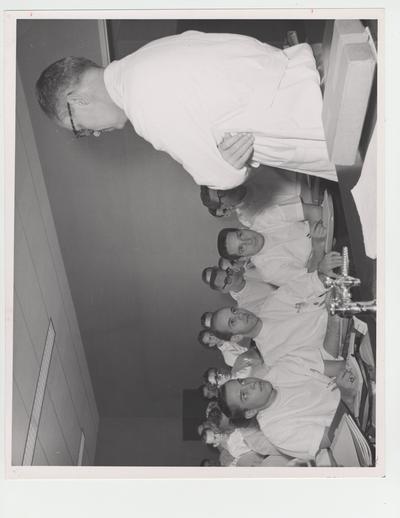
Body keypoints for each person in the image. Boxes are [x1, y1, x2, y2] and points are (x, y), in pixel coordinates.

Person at [36, 31, 336, 190]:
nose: (96, 133)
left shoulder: (142, 104)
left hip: (321, 118)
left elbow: (222, 178)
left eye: (81, 129)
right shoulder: (144, 57)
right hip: (318, 74)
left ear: (78, 101)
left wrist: (222, 168)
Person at [219, 375, 340, 461]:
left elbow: (336, 366)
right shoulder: (277, 431)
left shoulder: (279, 370)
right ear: (250, 412)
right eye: (244, 395)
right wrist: (348, 398)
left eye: (242, 381)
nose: (251, 384)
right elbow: (335, 437)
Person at [217, 223, 342, 286]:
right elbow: (311, 278)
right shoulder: (268, 272)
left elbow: (311, 211)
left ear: (241, 228)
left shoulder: (262, 219)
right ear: (244, 258)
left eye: (241, 235)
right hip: (334, 260)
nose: (248, 241)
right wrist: (318, 247)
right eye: (242, 248)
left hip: (331, 224)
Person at [202, 265, 276, 315]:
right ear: (224, 290)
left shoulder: (249, 270)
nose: (233, 276)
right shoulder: (246, 307)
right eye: (227, 280)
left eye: (228, 272)